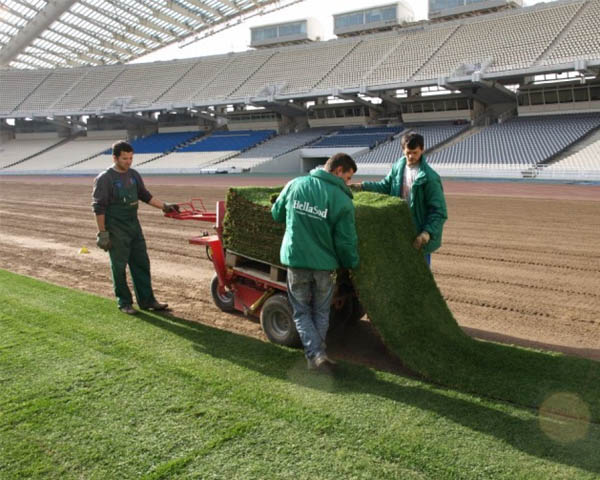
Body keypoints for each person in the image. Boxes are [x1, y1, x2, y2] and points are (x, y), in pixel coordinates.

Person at [271, 153, 360, 373]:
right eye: (347, 178)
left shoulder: (295, 184)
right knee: (321, 312)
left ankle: (316, 356)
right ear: (338, 171)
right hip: (324, 265)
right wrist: (352, 263)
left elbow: (277, 214)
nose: (347, 183)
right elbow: (346, 241)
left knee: (301, 311)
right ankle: (318, 355)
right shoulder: (342, 201)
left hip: (296, 259)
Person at [92, 140, 180, 315]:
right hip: (115, 228)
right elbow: (98, 208)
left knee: (141, 263)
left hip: (134, 226)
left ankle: (147, 300)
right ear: (115, 157)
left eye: (131, 158)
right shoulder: (105, 178)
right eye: (125, 158)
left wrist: (164, 206)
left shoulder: (133, 175)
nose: (129, 162)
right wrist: (103, 233)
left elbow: (144, 195)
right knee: (119, 266)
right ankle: (124, 302)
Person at [351, 132, 447, 265]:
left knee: (420, 273)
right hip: (398, 227)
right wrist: (362, 186)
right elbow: (385, 186)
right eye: (408, 152)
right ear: (403, 150)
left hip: (417, 232)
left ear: (422, 150)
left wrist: (426, 233)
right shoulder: (398, 166)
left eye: (415, 152)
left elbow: (438, 211)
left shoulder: (429, 177)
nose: (411, 156)